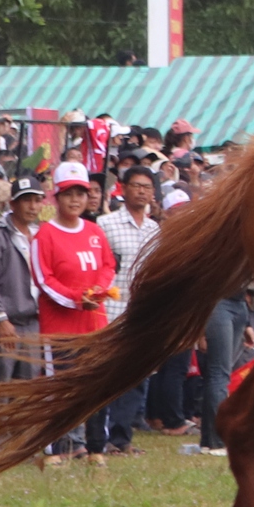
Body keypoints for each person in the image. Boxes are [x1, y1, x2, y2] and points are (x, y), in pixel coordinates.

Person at [33, 160, 118, 463]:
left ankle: (96, 447)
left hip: (95, 324)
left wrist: (101, 290)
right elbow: (44, 280)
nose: (75, 200)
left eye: (81, 193)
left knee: (98, 386)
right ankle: (55, 448)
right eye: (69, 193)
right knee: (60, 390)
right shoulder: (45, 234)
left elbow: (108, 266)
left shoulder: (94, 231)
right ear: (56, 197)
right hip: (60, 328)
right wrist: (78, 299)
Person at [95, 163, 163, 451]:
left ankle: (122, 438)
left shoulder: (154, 229)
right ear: (123, 189)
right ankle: (100, 437)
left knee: (135, 378)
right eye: (136, 185)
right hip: (110, 310)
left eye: (147, 187)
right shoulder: (105, 224)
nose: (142, 191)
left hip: (141, 313)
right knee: (106, 376)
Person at [0, 178, 43, 386]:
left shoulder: (40, 235)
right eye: (26, 200)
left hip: (33, 324)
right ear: (12, 203)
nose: (33, 206)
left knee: (25, 395)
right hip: (3, 325)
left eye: (37, 200)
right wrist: (0, 318)